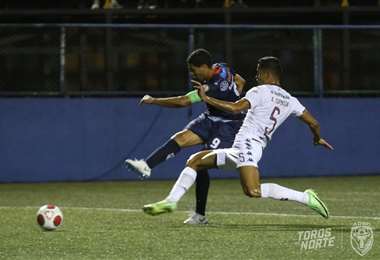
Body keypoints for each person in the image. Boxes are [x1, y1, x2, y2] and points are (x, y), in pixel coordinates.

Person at [143, 56, 334, 219]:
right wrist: (317, 138)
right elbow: (314, 123)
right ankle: (170, 202)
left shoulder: (259, 91)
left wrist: (207, 99)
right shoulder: (291, 100)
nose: (256, 76)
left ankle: (305, 198)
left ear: (267, 74)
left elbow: (235, 107)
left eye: (259, 72)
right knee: (195, 160)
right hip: (244, 146)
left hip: (249, 145)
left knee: (253, 191)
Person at [126, 49, 246, 224]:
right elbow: (240, 80)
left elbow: (183, 101)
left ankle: (197, 214)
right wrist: (236, 95)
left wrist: (154, 101)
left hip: (228, 126)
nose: (192, 74)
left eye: (193, 69)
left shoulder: (210, 87)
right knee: (180, 138)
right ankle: (146, 166)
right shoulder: (222, 67)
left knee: (200, 163)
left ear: (204, 67)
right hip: (211, 118)